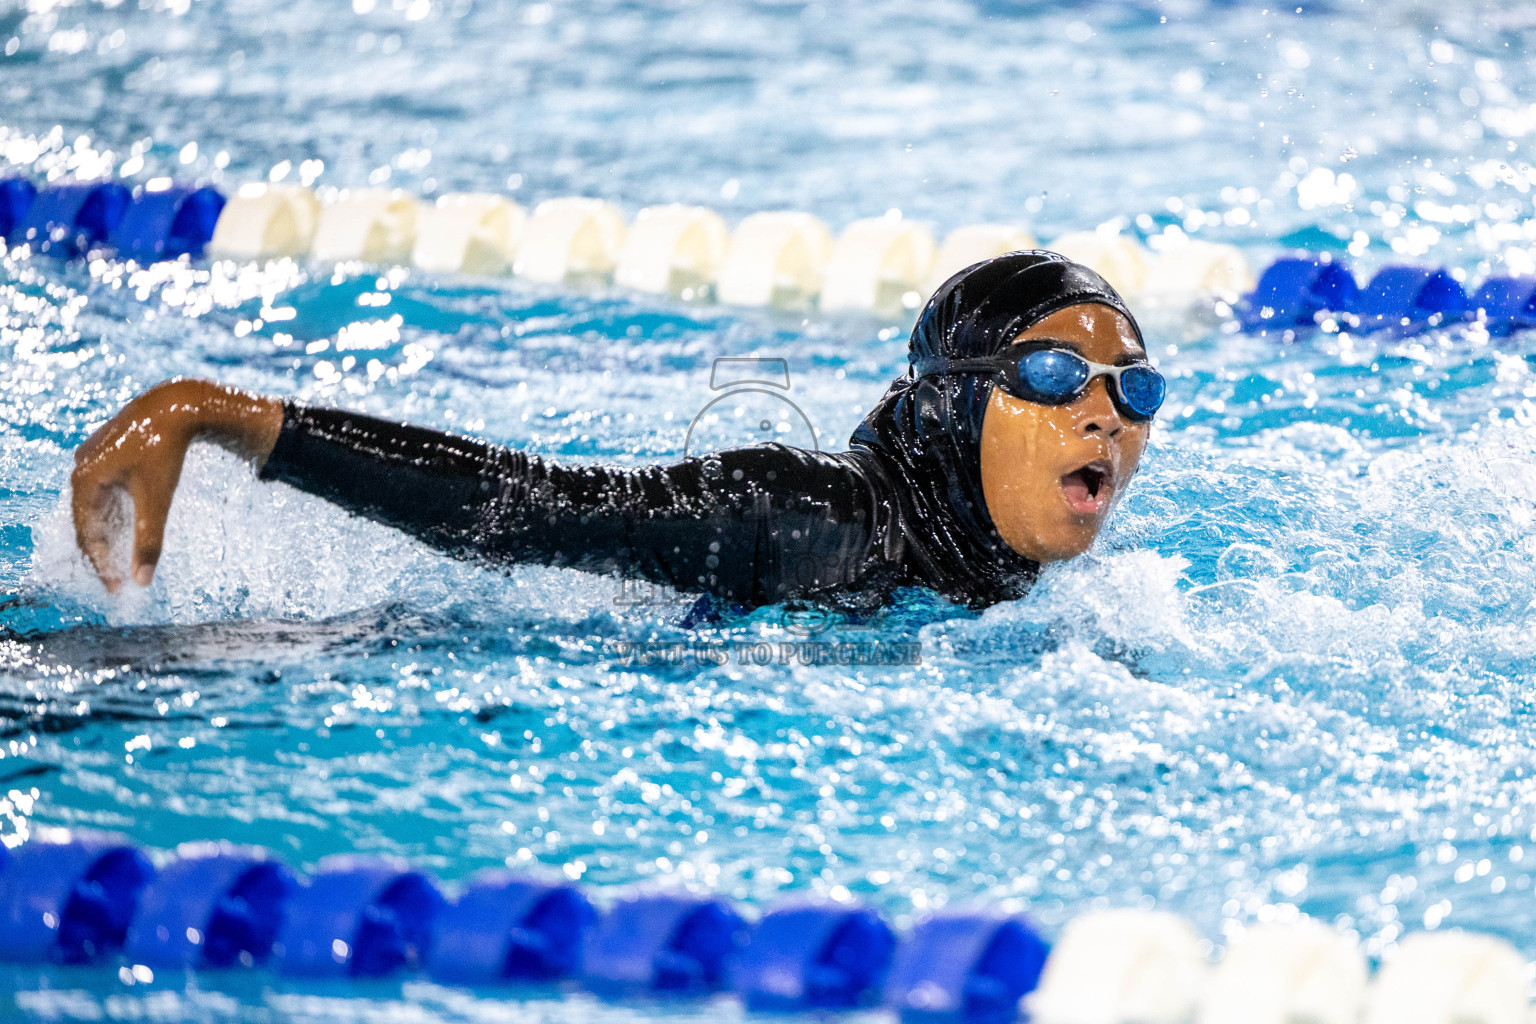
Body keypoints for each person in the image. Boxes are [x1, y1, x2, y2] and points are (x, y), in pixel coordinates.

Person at [69, 251, 1164, 611]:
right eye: (1055, 373)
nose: (1104, 411)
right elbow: (536, 509)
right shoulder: (815, 513)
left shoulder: (993, 562)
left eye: (1134, 389)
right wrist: (222, 417)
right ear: (951, 403)